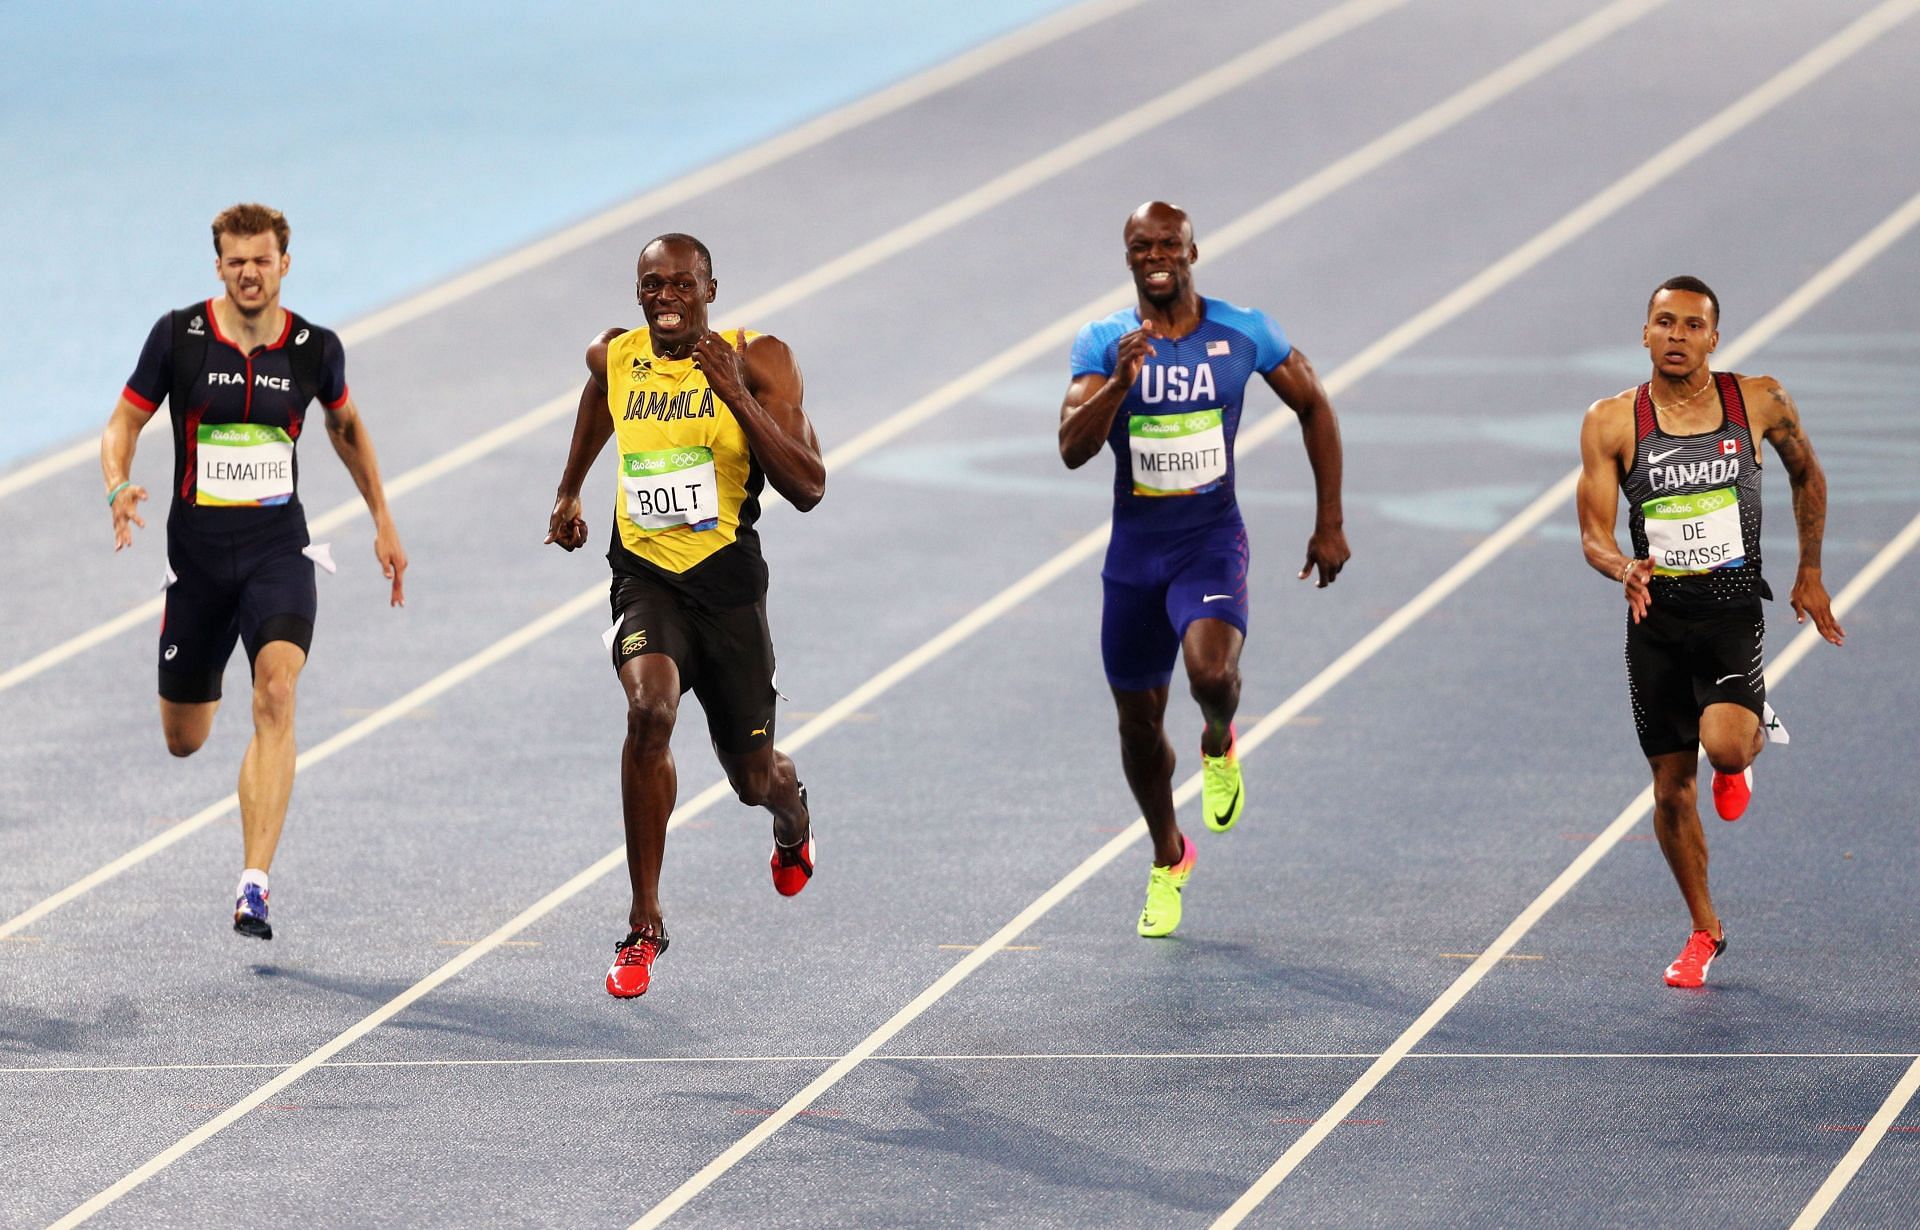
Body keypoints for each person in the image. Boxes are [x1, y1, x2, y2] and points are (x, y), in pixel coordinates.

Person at [100, 202, 408, 940]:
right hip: (198, 564)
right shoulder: (178, 337)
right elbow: (122, 423)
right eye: (235, 261)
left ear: (283, 265)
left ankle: (254, 883)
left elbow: (347, 427)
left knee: (276, 690)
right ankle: (193, 683)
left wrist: (383, 520)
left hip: (278, 552)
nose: (248, 272)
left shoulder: (312, 348)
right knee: (185, 738)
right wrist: (118, 483)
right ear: (219, 266)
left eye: (261, 260)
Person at [1058, 201, 1349, 939]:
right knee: (1138, 726)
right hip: (1134, 557)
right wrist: (1121, 383)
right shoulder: (1102, 343)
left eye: (1169, 244)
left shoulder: (1244, 330)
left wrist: (1330, 523)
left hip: (1209, 542)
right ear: (1127, 257)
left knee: (1211, 675)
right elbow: (1070, 447)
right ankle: (1167, 855)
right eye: (1141, 247)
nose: (1157, 256)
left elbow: (1314, 405)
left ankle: (1219, 738)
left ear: (1193, 250)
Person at [546, 232, 825, 998]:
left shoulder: (761, 358)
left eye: (680, 285)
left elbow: (808, 486)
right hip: (646, 580)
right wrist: (570, 489)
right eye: (651, 285)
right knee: (649, 711)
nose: (665, 298)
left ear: (710, 288)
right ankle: (644, 925)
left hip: (729, 592)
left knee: (753, 776)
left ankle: (793, 820)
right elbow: (599, 397)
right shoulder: (617, 354)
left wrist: (734, 392)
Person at [1577, 275, 1843, 988]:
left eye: (1692, 325)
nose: (1676, 336)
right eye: (1663, 322)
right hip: (1654, 622)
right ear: (1644, 333)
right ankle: (1704, 929)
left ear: (1713, 338)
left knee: (1724, 750)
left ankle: (1748, 729)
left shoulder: (1756, 400)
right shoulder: (1611, 422)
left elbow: (1807, 476)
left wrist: (1809, 573)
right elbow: (1593, 533)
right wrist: (1619, 568)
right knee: (1670, 790)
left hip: (1730, 613)